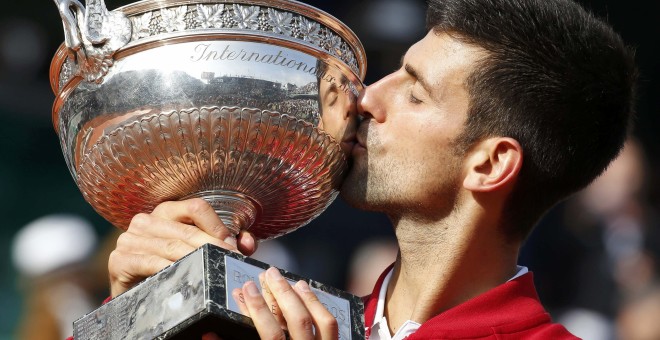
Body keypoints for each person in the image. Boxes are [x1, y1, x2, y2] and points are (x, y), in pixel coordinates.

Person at [106, 0, 637, 339]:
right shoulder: (289, 319)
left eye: (413, 92)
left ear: (490, 163)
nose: (365, 97)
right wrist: (130, 317)